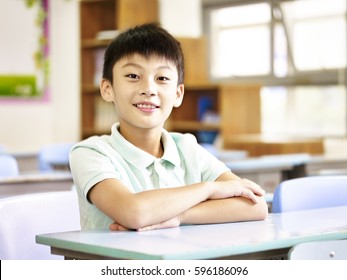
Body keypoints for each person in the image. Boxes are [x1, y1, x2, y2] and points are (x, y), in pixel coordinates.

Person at [69, 23, 268, 231]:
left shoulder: (187, 147)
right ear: (107, 88)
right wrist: (209, 189)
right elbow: (134, 213)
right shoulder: (90, 153)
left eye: (162, 78)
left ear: (178, 94)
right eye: (133, 76)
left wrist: (182, 215)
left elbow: (256, 205)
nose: (149, 89)